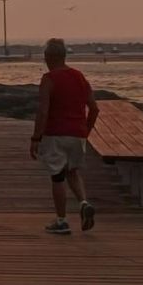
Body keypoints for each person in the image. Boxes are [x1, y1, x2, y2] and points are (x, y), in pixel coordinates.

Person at [30, 37, 99, 235]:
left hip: (55, 134)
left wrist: (36, 138)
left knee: (57, 176)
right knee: (73, 171)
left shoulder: (49, 79)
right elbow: (94, 108)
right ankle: (84, 203)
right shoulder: (79, 77)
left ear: (49, 56)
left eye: (45, 55)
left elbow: (43, 111)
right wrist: (86, 131)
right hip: (77, 133)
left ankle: (61, 221)